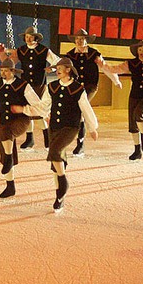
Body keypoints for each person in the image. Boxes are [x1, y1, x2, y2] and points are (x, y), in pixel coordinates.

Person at [0, 58, 47, 199]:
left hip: (21, 121)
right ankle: (10, 186)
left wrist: (44, 115)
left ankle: (8, 158)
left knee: (6, 135)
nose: (3, 73)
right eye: (1, 70)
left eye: (6, 71)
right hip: (4, 123)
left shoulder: (23, 85)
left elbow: (36, 104)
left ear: (13, 71)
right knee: (4, 145)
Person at [40, 58, 99, 212]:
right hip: (54, 127)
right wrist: (44, 114)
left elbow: (86, 108)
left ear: (68, 70)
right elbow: (44, 104)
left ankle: (63, 183)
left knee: (54, 151)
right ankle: (60, 197)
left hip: (70, 127)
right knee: (56, 161)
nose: (57, 70)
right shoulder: (52, 86)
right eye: (57, 68)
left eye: (60, 68)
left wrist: (92, 127)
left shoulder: (77, 89)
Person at [64, 28, 121, 156]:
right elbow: (62, 67)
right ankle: (76, 140)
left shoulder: (94, 54)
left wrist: (116, 80)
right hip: (75, 88)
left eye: (82, 39)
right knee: (76, 111)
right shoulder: (70, 55)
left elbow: (105, 67)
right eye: (77, 39)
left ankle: (80, 143)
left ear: (86, 40)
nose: (79, 41)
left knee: (81, 108)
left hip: (90, 86)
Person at [3, 26, 60, 151]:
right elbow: (10, 63)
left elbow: (57, 61)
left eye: (31, 37)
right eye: (27, 37)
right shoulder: (21, 50)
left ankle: (47, 138)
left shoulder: (44, 50)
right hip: (25, 86)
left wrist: (52, 68)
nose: (28, 39)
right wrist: (4, 54)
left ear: (36, 38)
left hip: (39, 85)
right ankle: (30, 139)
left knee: (38, 111)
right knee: (27, 112)